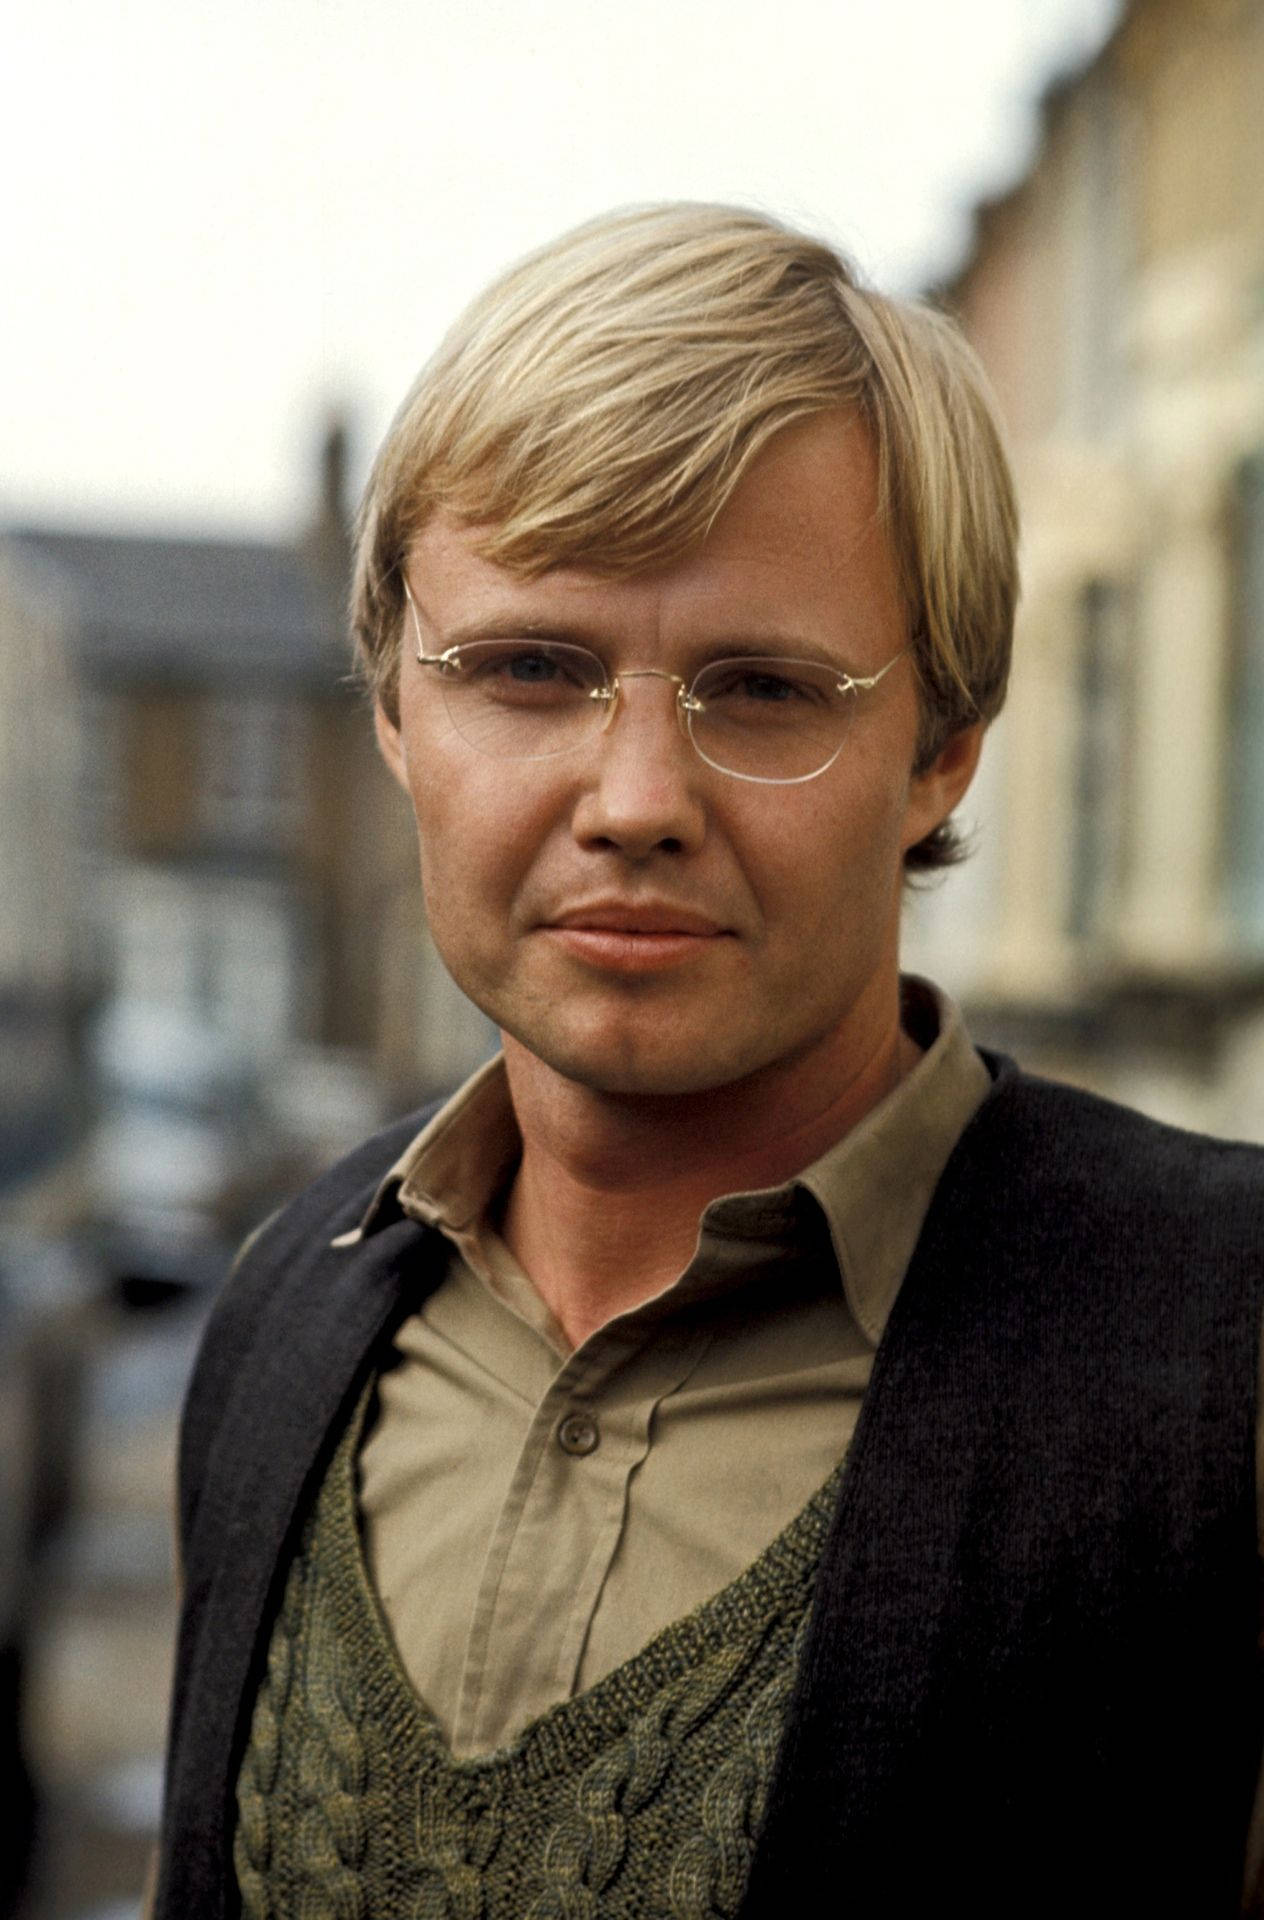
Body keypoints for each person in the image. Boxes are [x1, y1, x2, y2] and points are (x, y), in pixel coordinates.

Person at [153, 205, 1264, 1918]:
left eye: (762, 691)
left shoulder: (1224, 1365)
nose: (637, 802)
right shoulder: (286, 1312)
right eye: (530, 669)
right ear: (392, 711)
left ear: (943, 749)